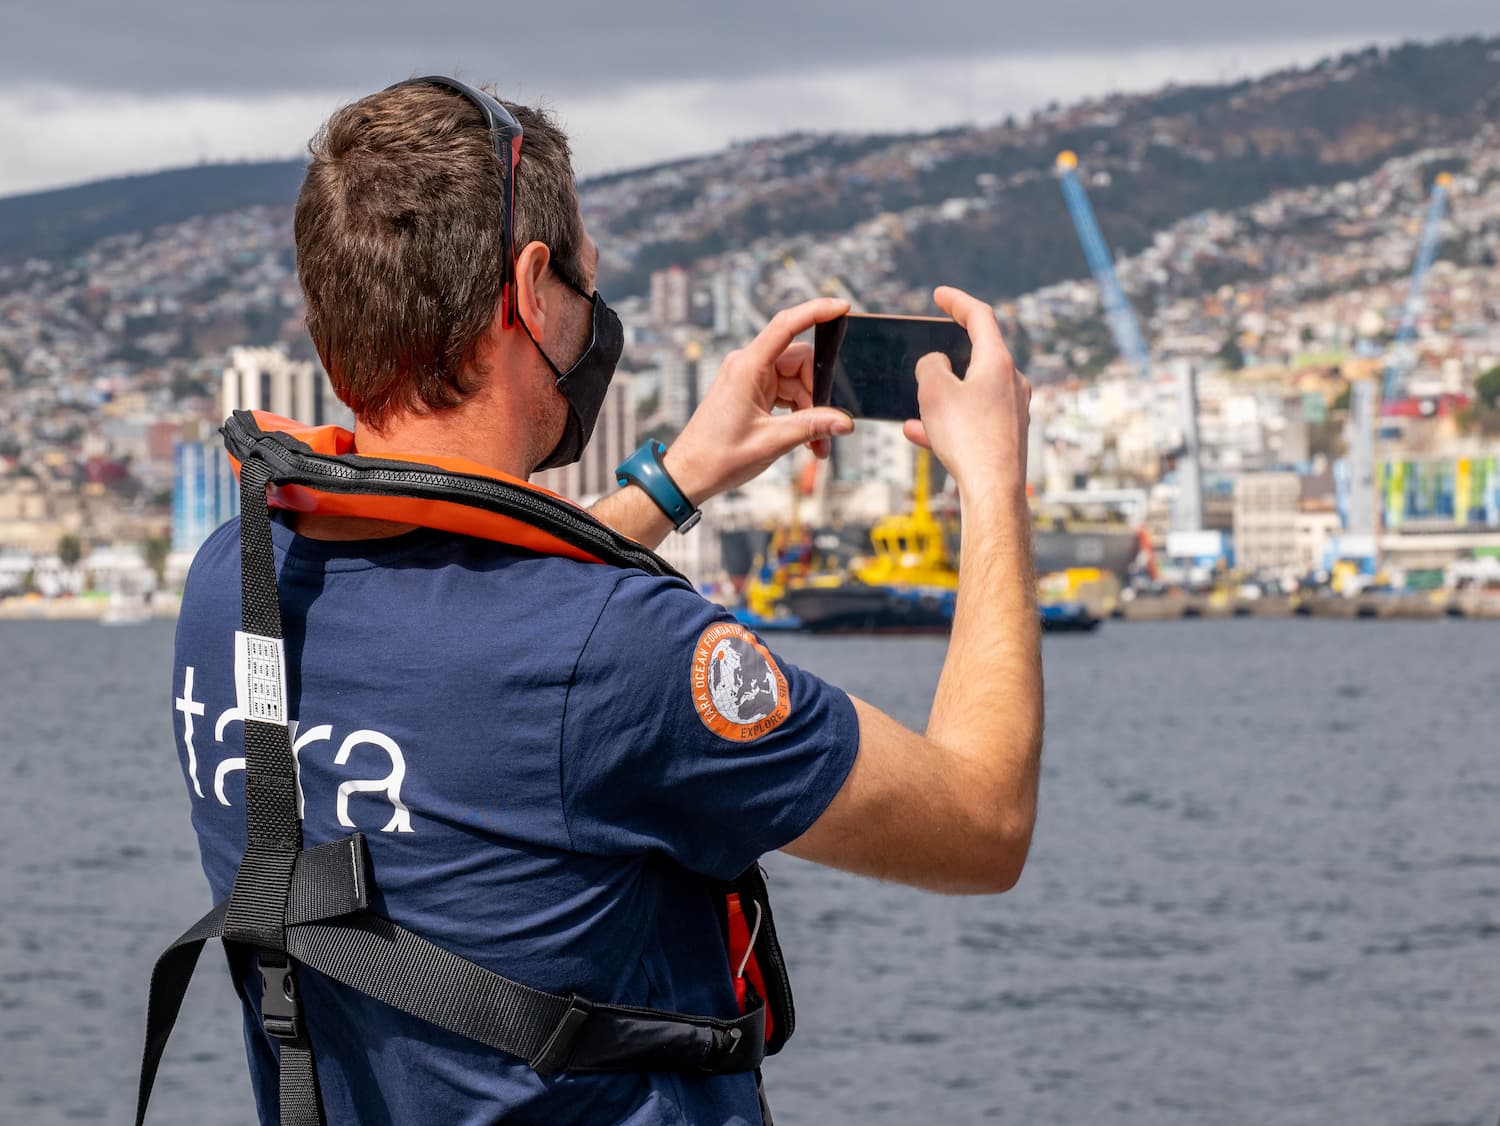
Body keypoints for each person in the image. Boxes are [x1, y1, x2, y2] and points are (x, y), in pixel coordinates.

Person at [169, 77, 1042, 1126]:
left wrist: (677, 479)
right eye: (585, 281)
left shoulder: (239, 584)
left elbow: (480, 633)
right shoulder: (630, 657)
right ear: (532, 291)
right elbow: (982, 821)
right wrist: (994, 479)